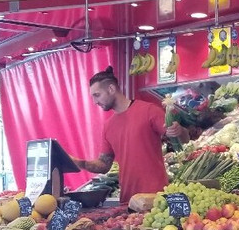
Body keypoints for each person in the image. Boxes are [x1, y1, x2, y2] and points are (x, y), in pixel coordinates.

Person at [71, 67, 181, 203]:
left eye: (97, 95)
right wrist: (78, 163)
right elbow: (104, 166)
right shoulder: (108, 126)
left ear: (111, 89)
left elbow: (181, 141)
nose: (94, 102)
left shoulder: (149, 111)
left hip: (156, 198)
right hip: (128, 201)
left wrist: (179, 131)